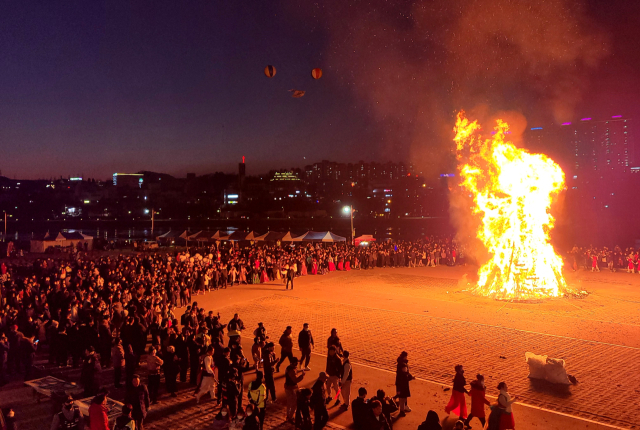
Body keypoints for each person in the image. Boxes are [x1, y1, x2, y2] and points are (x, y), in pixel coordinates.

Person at [284, 357, 305, 422]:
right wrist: (302, 376)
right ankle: (290, 417)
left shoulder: (288, 368)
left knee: (289, 403)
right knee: (294, 404)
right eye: (297, 362)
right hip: (291, 388)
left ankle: (288, 416)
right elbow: (295, 380)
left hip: (288, 387)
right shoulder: (292, 371)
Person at [395, 351, 413, 416]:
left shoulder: (400, 363)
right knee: (403, 397)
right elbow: (406, 373)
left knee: (401, 396)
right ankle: (402, 410)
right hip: (403, 383)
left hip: (400, 383)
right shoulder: (403, 364)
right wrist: (411, 377)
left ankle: (402, 407)